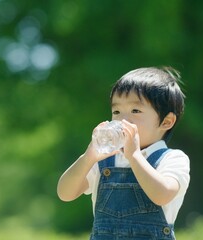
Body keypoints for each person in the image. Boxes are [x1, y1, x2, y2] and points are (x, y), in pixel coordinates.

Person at [57, 67, 190, 239]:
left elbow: (162, 195)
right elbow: (65, 193)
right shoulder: (105, 160)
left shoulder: (173, 158)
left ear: (166, 121)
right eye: (117, 112)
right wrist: (88, 157)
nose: (122, 120)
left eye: (135, 111)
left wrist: (134, 156)